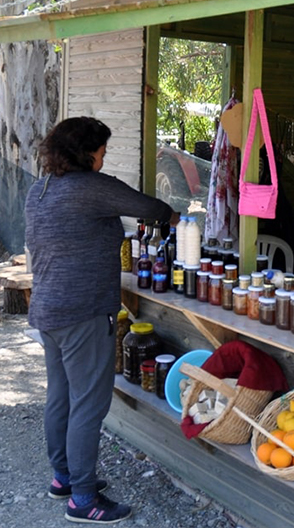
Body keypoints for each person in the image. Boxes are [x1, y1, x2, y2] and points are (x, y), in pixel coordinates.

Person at [25, 117, 180, 524]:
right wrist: (179, 219)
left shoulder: (38, 189)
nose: (104, 158)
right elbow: (154, 208)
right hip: (85, 312)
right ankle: (83, 498)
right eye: (103, 151)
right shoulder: (93, 188)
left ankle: (64, 477)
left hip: (48, 309)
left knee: (61, 397)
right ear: (87, 152)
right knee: (90, 405)